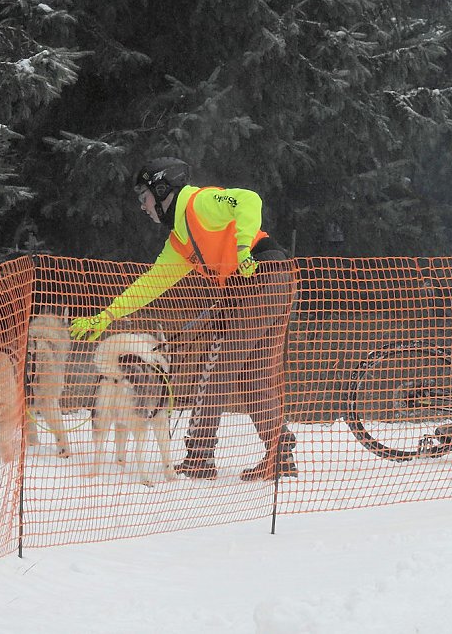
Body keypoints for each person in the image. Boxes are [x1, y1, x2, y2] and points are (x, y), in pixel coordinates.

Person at [70, 156, 298, 481]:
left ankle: (199, 458)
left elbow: (249, 199)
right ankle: (280, 454)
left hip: (262, 275)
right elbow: (149, 284)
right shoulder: (178, 242)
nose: (143, 206)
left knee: (218, 369)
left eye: (144, 197)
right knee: (252, 376)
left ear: (163, 191)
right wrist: (107, 315)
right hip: (263, 283)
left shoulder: (198, 204)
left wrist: (243, 247)